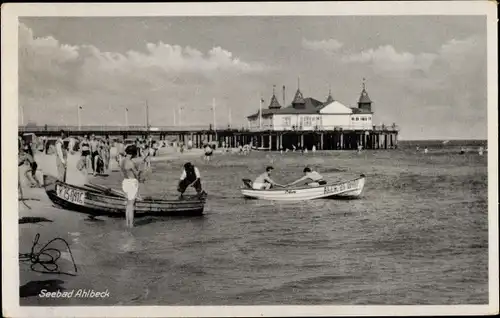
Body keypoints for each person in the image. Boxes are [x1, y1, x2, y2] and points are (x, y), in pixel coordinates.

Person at [120, 145, 144, 228]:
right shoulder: (131, 163)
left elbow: (125, 172)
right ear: (133, 153)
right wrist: (140, 170)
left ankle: (127, 224)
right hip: (132, 183)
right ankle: (131, 225)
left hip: (125, 182)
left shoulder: (122, 161)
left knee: (127, 205)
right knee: (131, 206)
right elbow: (136, 174)